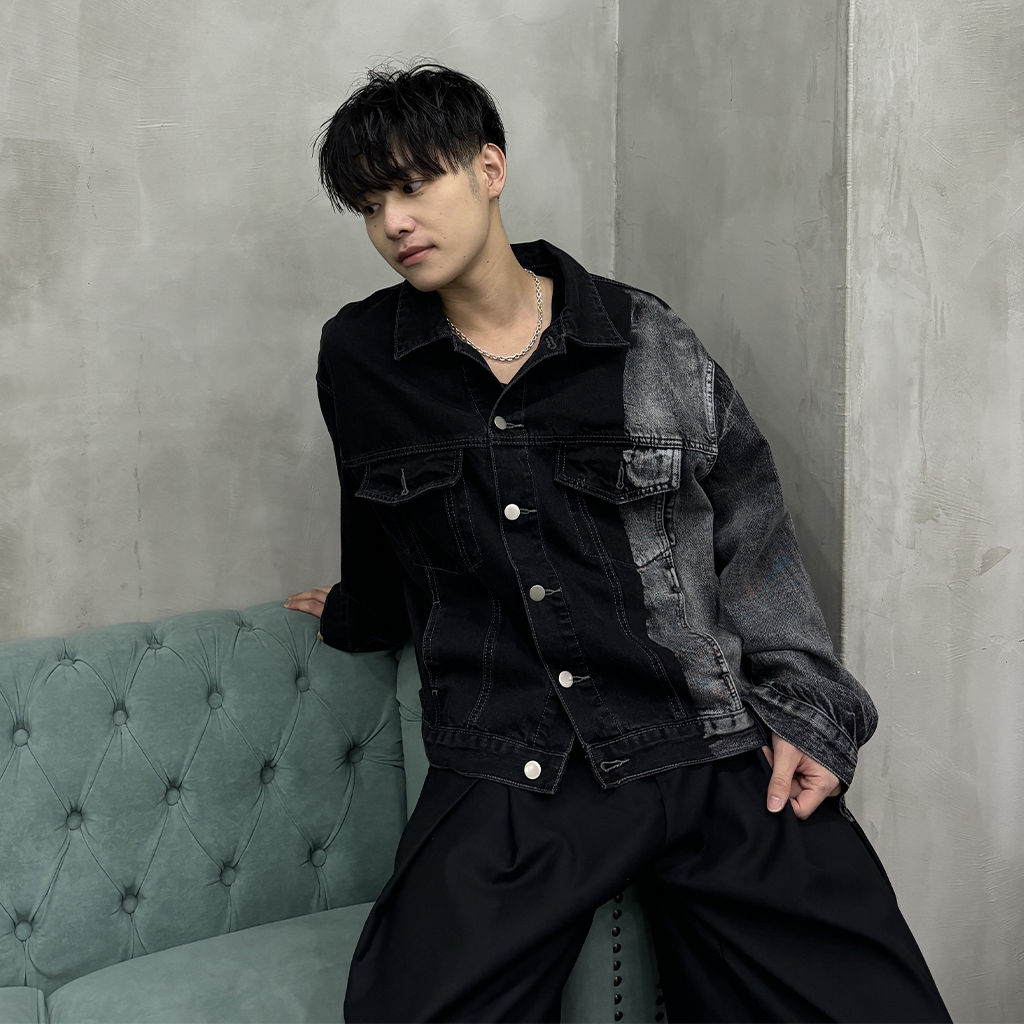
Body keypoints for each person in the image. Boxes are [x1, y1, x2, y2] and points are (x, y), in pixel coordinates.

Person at [286, 61, 950, 1024]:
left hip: (705, 741)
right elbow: (377, 524)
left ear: (489, 169)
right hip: (513, 762)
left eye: (414, 184)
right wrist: (355, 615)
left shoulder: (646, 339)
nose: (394, 222)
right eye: (370, 204)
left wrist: (809, 711)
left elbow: (752, 526)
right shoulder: (361, 355)